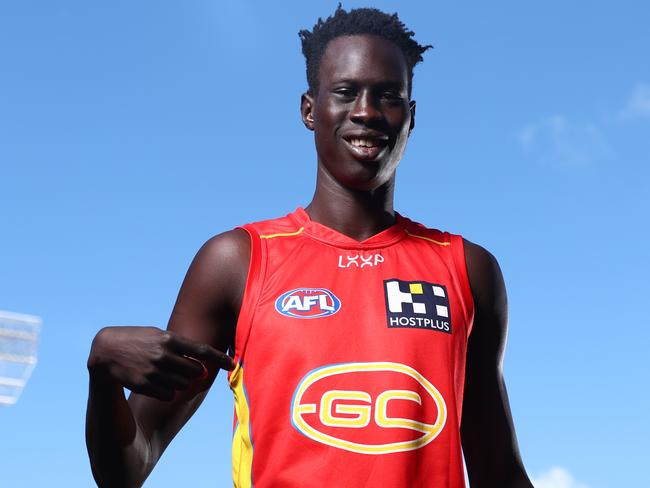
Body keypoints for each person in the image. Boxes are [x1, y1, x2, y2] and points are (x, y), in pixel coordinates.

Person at [86, 6, 533, 488]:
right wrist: (101, 370)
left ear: (411, 115)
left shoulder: (466, 268)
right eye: (345, 92)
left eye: (389, 96)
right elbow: (129, 467)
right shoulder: (237, 261)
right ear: (309, 109)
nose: (366, 111)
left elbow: (499, 473)